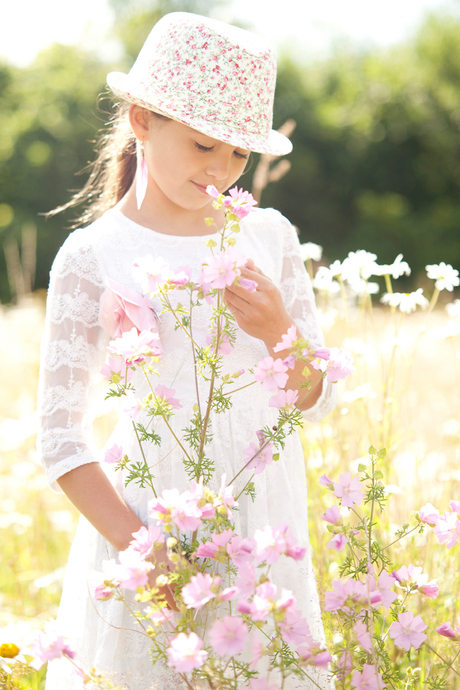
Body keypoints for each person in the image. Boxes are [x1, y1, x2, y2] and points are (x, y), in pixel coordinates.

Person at [37, 12, 337, 690]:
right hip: (148, 532)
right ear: (142, 120)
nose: (220, 172)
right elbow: (60, 439)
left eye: (237, 155)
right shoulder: (92, 256)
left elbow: (316, 397)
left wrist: (278, 330)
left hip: (264, 523)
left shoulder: (268, 236)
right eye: (204, 146)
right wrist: (145, 554)